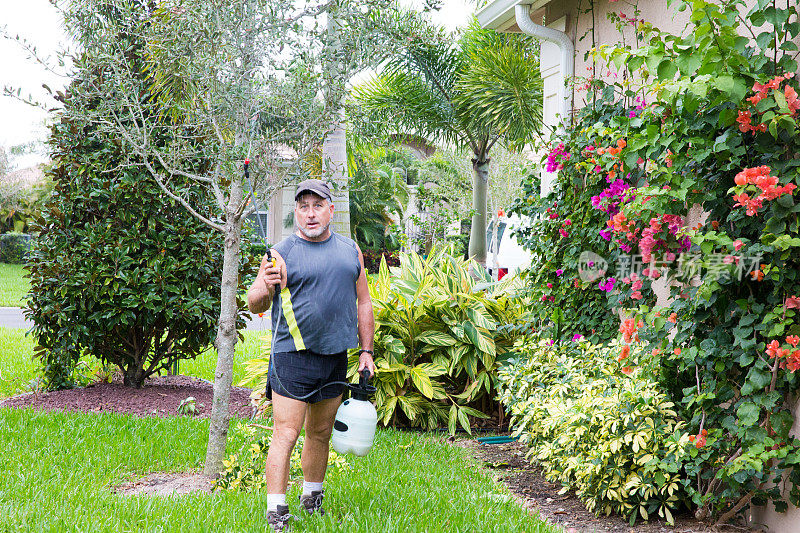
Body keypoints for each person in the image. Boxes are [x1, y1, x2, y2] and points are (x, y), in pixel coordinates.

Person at [247, 178, 376, 532]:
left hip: (335, 355)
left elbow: (363, 302)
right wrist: (267, 282)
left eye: (317, 205)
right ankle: (276, 512)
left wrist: (367, 351)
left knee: (320, 432)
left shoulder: (350, 251)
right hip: (292, 355)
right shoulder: (279, 253)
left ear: (331, 210)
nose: (310, 213)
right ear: (296, 212)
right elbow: (256, 300)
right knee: (286, 433)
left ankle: (312, 498)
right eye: (303, 206)